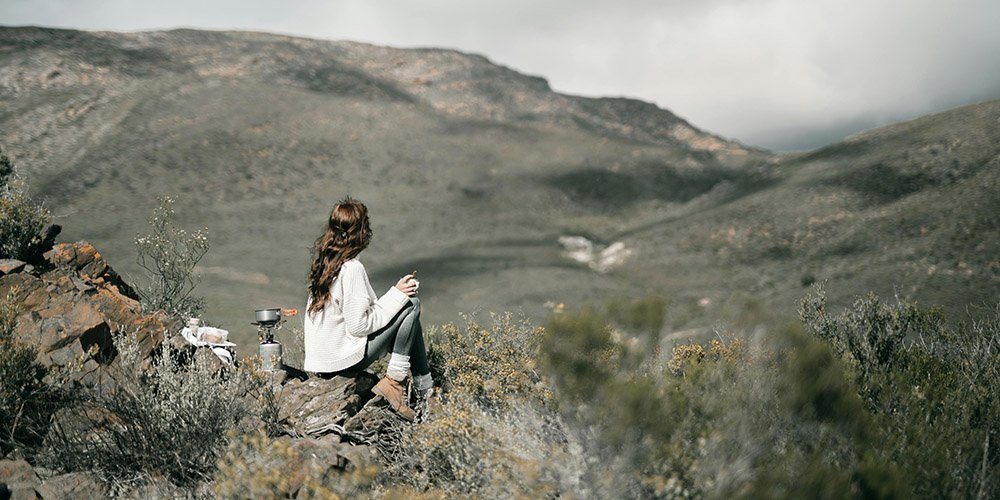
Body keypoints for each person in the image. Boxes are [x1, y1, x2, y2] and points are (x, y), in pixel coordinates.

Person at [303, 198, 432, 421]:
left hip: (322, 362)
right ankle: (398, 383)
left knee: (406, 309)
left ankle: (424, 387)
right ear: (363, 231)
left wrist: (396, 294)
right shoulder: (352, 268)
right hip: (342, 360)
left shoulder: (327, 264)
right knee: (412, 305)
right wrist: (398, 295)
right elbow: (359, 326)